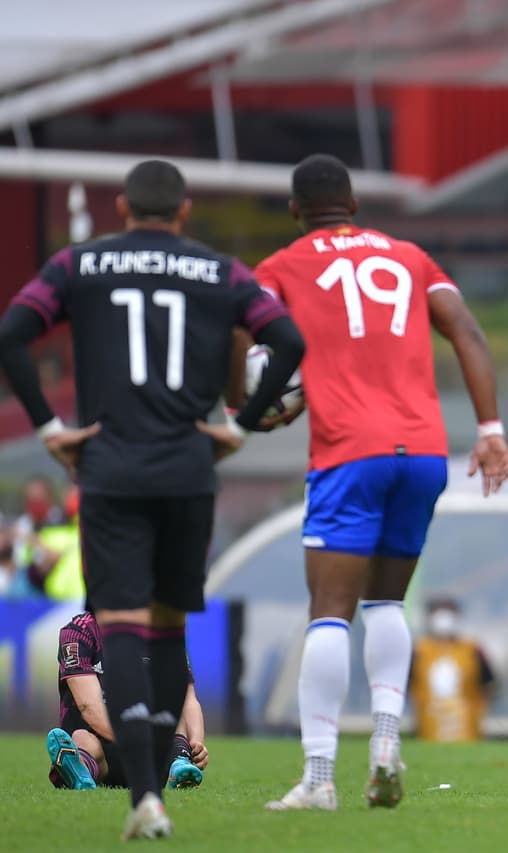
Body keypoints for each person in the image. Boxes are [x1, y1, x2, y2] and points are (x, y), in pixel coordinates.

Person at [0, 160, 301, 840]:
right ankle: (154, 780)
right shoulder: (219, 272)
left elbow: (12, 333)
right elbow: (287, 341)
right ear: (185, 211)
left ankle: (146, 796)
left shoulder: (80, 265)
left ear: (121, 207)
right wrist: (240, 425)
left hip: (109, 467)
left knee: (123, 627)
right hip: (187, 469)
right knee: (164, 634)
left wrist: (51, 428)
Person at [253, 154, 508, 811]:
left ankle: (317, 778)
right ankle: (387, 745)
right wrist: (489, 428)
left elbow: (249, 344)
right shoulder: (411, 257)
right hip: (423, 452)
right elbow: (467, 330)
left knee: (330, 614)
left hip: (349, 452)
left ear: (294, 209)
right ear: (355, 205)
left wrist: (246, 407)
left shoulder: (281, 266)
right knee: (387, 605)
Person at [46, 610, 209, 791]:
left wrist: (196, 743)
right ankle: (80, 771)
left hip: (152, 747)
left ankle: (180, 762)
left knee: (170, 702)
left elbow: (188, 697)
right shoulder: (78, 631)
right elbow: (88, 707)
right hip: (103, 743)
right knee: (81, 737)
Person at [409, 597, 496, 742]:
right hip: (427, 726)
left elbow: (490, 683)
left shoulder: (472, 649)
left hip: (468, 727)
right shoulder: (419, 650)